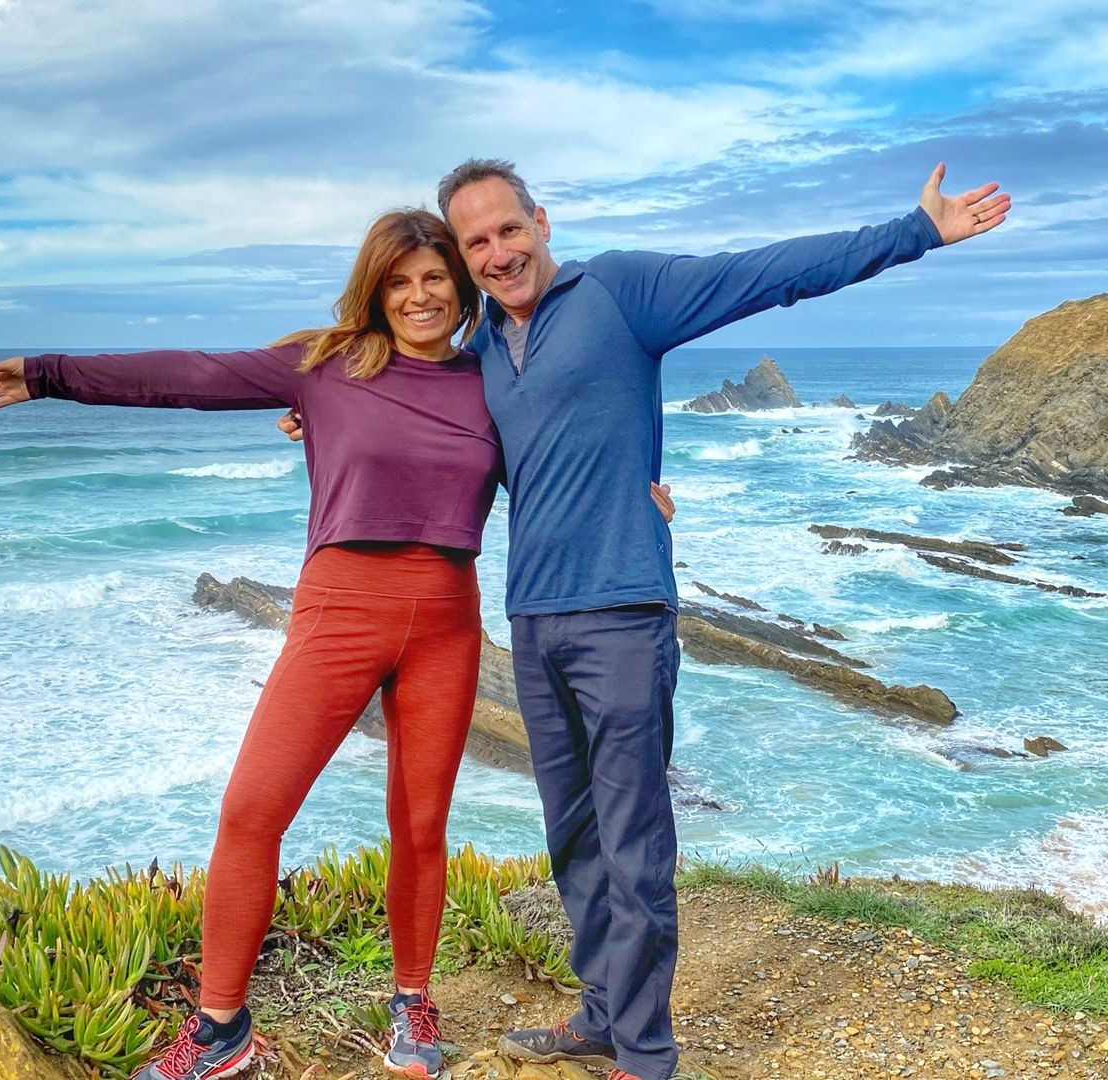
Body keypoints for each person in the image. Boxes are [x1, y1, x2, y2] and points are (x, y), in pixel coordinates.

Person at [283, 160, 1007, 1080]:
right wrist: (323, 415)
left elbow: (767, 273)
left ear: (541, 221)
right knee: (573, 836)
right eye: (477, 244)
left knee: (634, 839)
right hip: (533, 617)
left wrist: (913, 232)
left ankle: (647, 1054)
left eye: (509, 230)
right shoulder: (476, 366)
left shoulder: (622, 291)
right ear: (464, 260)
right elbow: (420, 428)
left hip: (623, 611)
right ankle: (598, 1014)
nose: (499, 253)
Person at [0, 208, 675, 1080]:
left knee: (419, 825)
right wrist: (47, 374)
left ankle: (414, 1000)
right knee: (252, 811)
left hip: (447, 619)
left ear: (461, 286)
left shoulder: (490, 377)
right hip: (340, 611)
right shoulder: (326, 365)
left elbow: (571, 443)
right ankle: (222, 1026)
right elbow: (189, 374)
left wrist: (641, 495)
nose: (418, 296)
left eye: (435, 278)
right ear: (375, 289)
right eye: (399, 281)